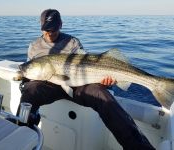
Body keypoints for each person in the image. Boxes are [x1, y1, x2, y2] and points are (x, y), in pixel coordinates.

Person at [17, 9, 155, 150]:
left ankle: (139, 147)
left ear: (61, 25)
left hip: (78, 84)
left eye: (54, 29)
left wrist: (104, 82)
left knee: (103, 95)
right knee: (30, 90)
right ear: (41, 27)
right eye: (46, 29)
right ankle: (20, 138)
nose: (50, 33)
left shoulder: (72, 42)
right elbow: (29, 71)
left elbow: (88, 65)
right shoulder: (34, 46)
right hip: (49, 85)